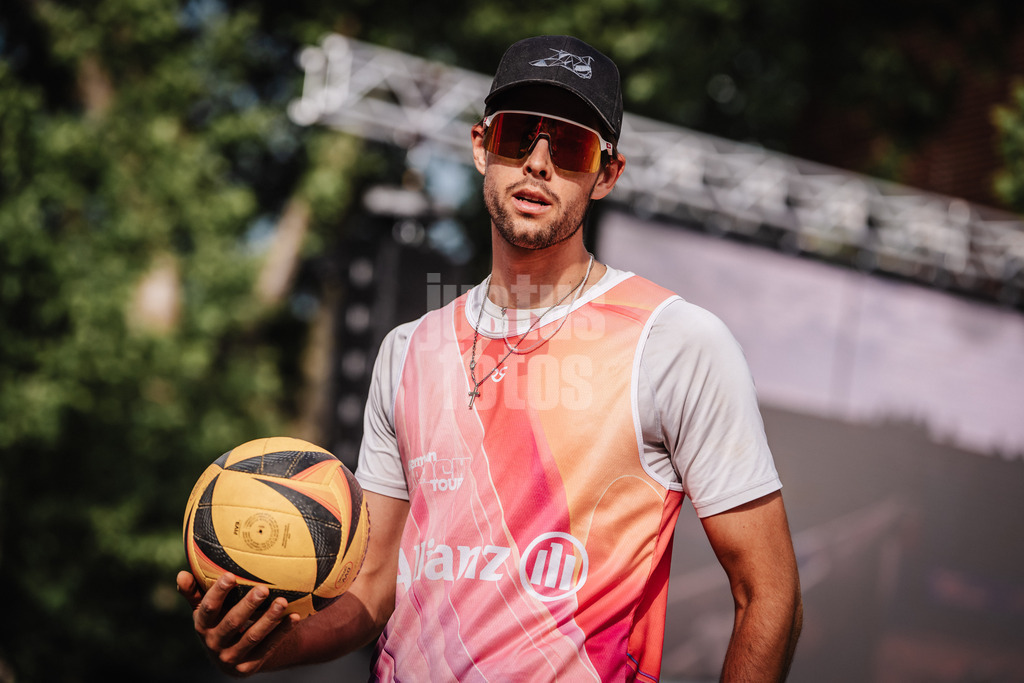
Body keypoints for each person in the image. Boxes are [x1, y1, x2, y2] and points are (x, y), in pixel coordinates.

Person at [177, 35, 803, 681]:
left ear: (607, 173)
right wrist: (277, 645)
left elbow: (769, 592)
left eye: (569, 146)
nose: (537, 162)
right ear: (481, 147)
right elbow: (372, 588)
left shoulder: (677, 342)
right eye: (517, 136)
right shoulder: (407, 350)